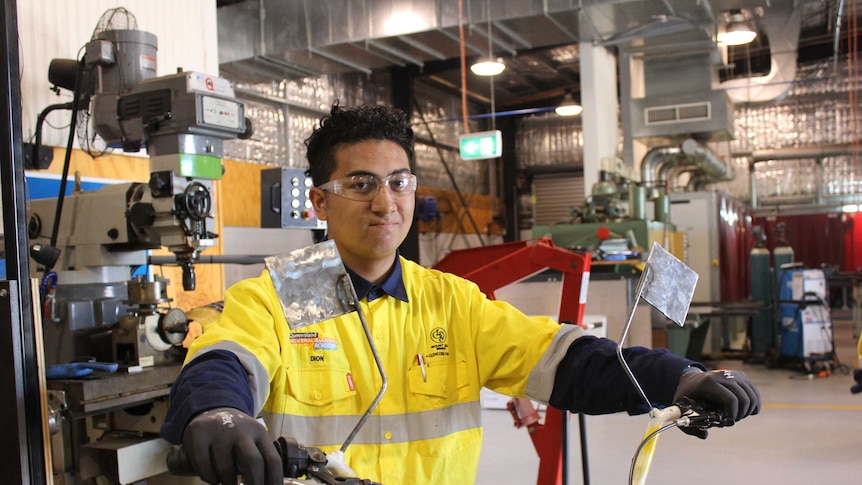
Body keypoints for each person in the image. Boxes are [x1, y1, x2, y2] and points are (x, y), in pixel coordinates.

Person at [160, 102, 760, 485]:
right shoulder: (281, 297)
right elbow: (225, 361)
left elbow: (564, 359)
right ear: (319, 201)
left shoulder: (453, 301)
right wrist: (218, 411)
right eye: (360, 183)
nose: (384, 201)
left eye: (398, 182)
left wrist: (677, 377)